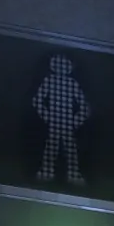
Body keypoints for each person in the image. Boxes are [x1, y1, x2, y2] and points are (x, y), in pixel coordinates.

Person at [33, 55, 90, 185]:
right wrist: (47, 116)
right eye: (59, 65)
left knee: (70, 147)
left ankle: (73, 173)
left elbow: (83, 105)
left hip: (67, 123)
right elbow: (37, 100)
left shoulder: (72, 83)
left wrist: (76, 120)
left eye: (64, 65)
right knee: (51, 145)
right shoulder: (49, 80)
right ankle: (47, 172)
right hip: (54, 121)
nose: (61, 68)